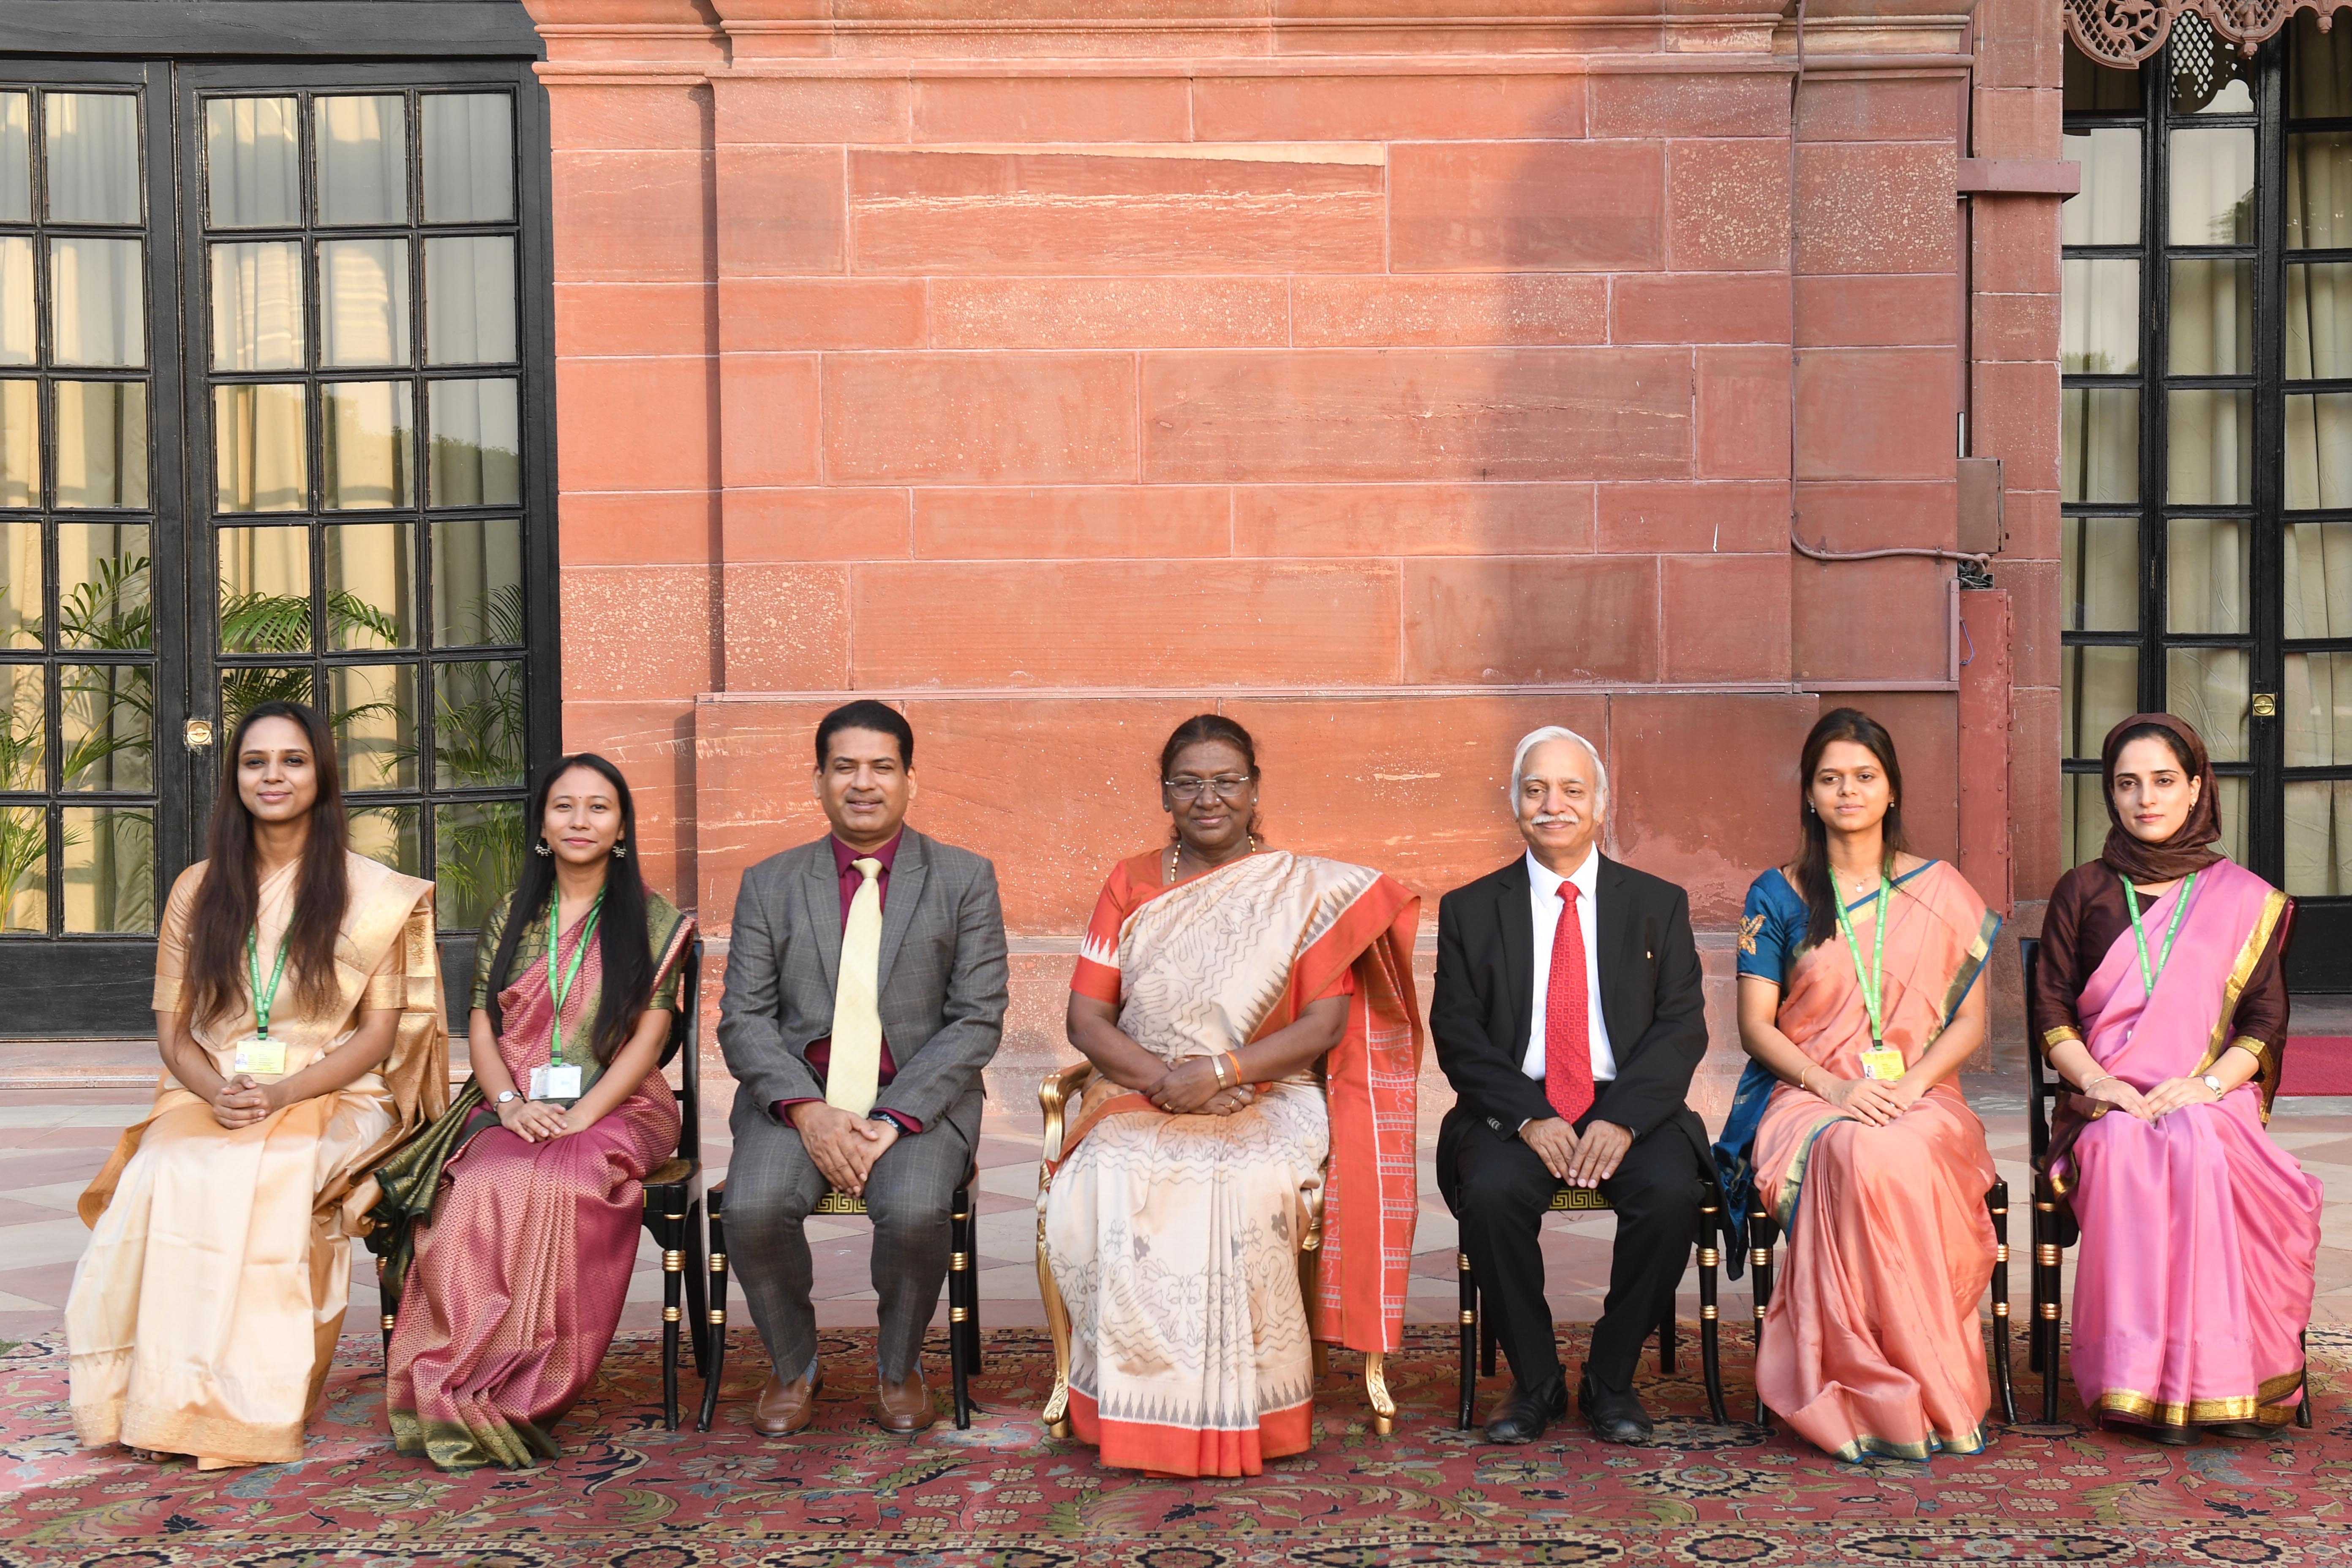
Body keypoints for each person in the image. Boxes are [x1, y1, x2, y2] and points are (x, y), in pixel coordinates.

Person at [66, 700, 446, 1467]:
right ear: (235, 778)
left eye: (293, 760)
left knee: (270, 1173)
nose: (273, 775)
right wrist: (217, 1091)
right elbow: (175, 1035)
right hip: (214, 1084)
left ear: (322, 774)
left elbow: (376, 1038)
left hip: (338, 1090)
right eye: (255, 761)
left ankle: (247, 1406)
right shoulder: (198, 889)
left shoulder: (373, 893)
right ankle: (161, 1400)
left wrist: (282, 1092)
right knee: (165, 1171)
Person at [1041, 714, 1421, 1478]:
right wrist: (1164, 1080)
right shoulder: (1131, 880)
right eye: (1188, 782)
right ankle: (1131, 1407)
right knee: (1109, 1180)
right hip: (1141, 1082)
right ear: (1165, 793)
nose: (1207, 797)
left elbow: (1324, 1023)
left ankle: (1258, 1408)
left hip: (1268, 1088)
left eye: (1227, 781)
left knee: (1248, 1185)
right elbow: (1087, 1017)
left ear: (1254, 789)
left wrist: (1220, 1074)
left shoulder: (1303, 891)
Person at [377, 754, 696, 1469]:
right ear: (543, 826)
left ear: (621, 827)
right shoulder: (513, 917)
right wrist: (511, 1105)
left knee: (567, 1180)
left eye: (598, 808)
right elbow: (483, 1025)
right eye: (564, 807)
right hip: (518, 1103)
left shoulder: (652, 920)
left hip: (621, 1105)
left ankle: (530, 1386)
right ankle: (458, 1377)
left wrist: (585, 1116)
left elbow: (650, 1034)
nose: (580, 821)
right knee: (483, 1182)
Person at [1716, 707, 2001, 1462]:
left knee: (1898, 1152)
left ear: (1891, 791)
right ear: (1809, 794)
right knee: (1858, 1152)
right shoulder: (1777, 895)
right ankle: (1866, 1383)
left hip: (1921, 1094)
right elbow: (1757, 1028)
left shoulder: (1940, 889)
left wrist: (1908, 1088)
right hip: (1808, 1095)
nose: (1849, 791)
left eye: (1864, 777)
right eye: (1831, 778)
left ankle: (1925, 1383)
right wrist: (1835, 1092)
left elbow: (1969, 1028)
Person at [717, 700, 1008, 1436]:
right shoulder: (771, 883)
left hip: (917, 1105)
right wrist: (808, 1112)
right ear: (818, 780)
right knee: (750, 1208)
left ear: (910, 778)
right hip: (798, 1101)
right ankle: (794, 1366)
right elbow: (742, 1020)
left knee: (913, 1211)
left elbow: (976, 1017)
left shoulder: (965, 879)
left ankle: (899, 1364)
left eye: (882, 766)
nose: (863, 783)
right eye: (844, 767)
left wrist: (892, 1118)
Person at [2033, 714, 2322, 1444]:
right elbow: (2050, 1009)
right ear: (2110, 793)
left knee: (2197, 1140)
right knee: (2132, 1152)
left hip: (2208, 1094)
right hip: (2106, 1101)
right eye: (2127, 784)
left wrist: (2210, 1087)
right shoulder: (2084, 890)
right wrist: (2097, 1083)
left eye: (2164, 781)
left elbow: (2263, 1022)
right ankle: (2133, 1381)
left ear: (2196, 788)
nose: (2146, 799)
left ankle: (2216, 1378)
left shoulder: (2245, 899)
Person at [1430, 726, 1713, 1446]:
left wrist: (1619, 1121)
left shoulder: (1658, 903)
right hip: (1514, 1110)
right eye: (1536, 789)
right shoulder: (1469, 908)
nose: (1552, 804)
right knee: (1491, 1195)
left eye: (1571, 790)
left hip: (1628, 1109)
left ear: (1601, 804)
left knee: (1672, 1193)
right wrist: (1529, 1119)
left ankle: (1611, 1378)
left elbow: (1681, 1029)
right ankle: (1536, 1381)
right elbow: (1459, 1033)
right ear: (1515, 803)